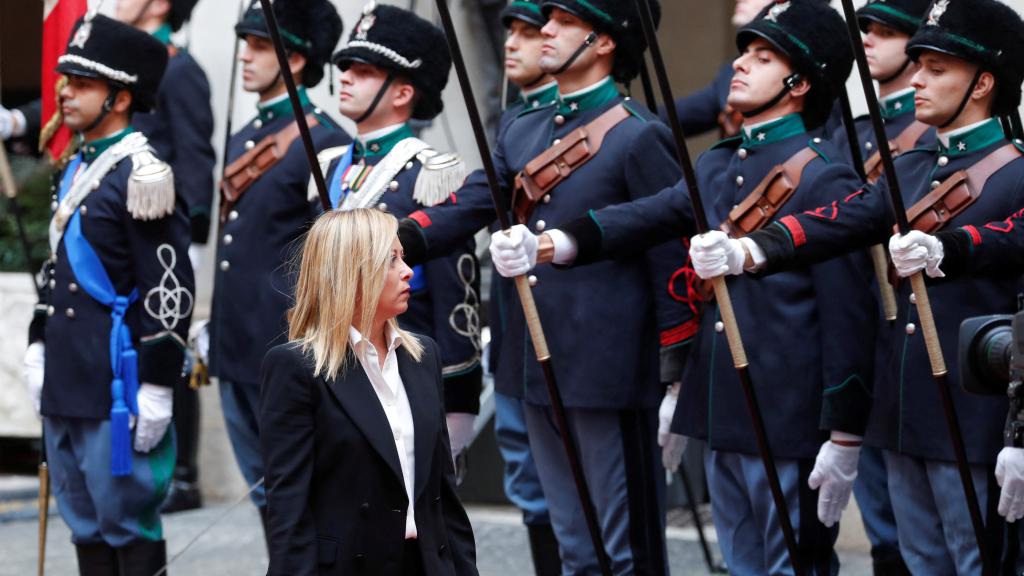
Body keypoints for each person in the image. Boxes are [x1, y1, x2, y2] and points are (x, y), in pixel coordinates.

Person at [489, 1, 878, 573]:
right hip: (726, 409)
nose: (741, 65)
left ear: (799, 83)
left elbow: (848, 316)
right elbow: (643, 217)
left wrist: (844, 434)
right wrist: (549, 245)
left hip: (791, 418)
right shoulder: (719, 166)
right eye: (745, 51)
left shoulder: (824, 176)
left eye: (763, 57)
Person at [687, 0, 1024, 571]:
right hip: (903, 413)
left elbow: (1009, 239)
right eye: (917, 63)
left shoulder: (1015, 173)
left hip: (978, 422)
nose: (917, 78)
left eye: (937, 69)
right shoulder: (914, 167)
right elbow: (837, 218)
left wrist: (1020, 433)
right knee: (918, 561)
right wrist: (752, 248)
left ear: (984, 81)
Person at [21, 13, 193, 574]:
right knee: (82, 514)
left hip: (115, 378)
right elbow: (60, 268)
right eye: (66, 80)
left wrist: (159, 384)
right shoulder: (77, 165)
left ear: (119, 98)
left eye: (83, 84)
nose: (65, 93)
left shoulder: (142, 175)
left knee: (125, 515)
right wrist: (38, 340)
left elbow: (168, 287)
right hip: (69, 368)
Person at [260, 208, 478, 576]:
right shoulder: (295, 367)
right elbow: (288, 511)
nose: (408, 271)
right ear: (352, 272)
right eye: (391, 260)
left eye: (403, 258)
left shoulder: (422, 356)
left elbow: (445, 497)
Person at [208, 0, 349, 538]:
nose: (246, 56)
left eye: (261, 46)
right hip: (236, 339)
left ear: (295, 60)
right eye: (247, 43)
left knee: (296, 489)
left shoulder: (321, 138)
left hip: (281, 340)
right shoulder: (249, 136)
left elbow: (325, 253)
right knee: (265, 491)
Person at [322, 2, 482, 465]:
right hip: (336, 370)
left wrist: (459, 399)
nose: (346, 77)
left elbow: (457, 291)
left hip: (405, 372)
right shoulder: (334, 166)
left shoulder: (432, 173)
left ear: (403, 91)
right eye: (346, 67)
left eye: (365, 70)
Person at [111, 0, 216, 514]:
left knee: (168, 344)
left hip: (163, 240)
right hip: (120, 244)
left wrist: (193, 241)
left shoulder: (179, 68)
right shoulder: (124, 62)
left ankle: (185, 476)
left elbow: (196, 154)